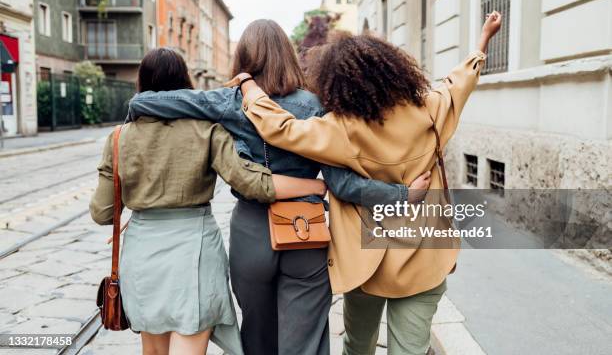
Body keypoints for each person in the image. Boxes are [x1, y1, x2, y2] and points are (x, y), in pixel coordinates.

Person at [126, 21, 431, 355]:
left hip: (251, 232)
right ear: (288, 56)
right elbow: (344, 185)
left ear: (243, 59)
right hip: (306, 231)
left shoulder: (229, 101)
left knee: (257, 334)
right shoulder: (316, 107)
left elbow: (154, 102)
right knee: (305, 340)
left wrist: (138, 105)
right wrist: (403, 195)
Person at [234, 12, 503, 354]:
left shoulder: (339, 128)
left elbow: (281, 128)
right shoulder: (429, 111)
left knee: (358, 345)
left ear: (338, 82)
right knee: (410, 348)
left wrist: (250, 88)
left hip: (367, 262)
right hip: (424, 257)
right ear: (393, 69)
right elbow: (458, 83)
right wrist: (483, 39)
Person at [90, 48, 336, 355]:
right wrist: (314, 184)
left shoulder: (118, 137)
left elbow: (102, 213)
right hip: (194, 251)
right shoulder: (207, 130)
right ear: (185, 82)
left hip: (142, 255)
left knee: (152, 351)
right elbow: (250, 181)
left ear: (141, 82)